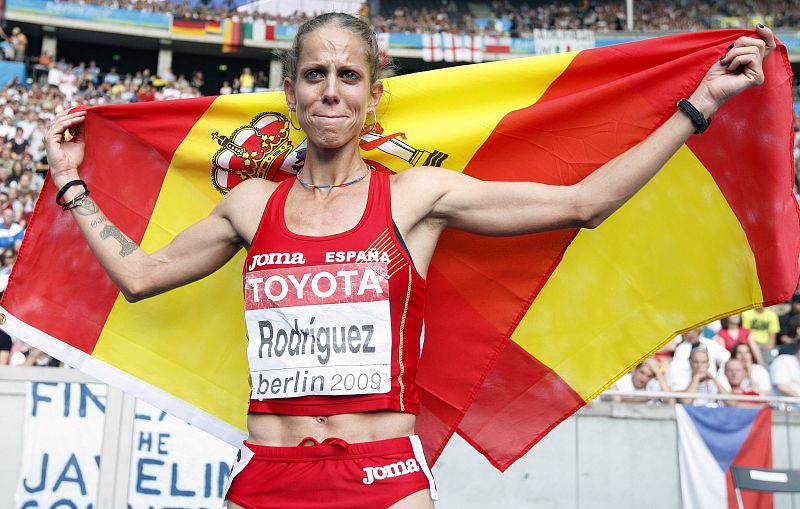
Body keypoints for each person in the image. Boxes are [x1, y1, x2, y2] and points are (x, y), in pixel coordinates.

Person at [44, 13, 775, 509]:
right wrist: (73, 183)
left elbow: (582, 202)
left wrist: (700, 102)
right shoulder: (248, 206)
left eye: (348, 77)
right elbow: (139, 277)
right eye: (315, 75)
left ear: (373, 97)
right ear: (292, 92)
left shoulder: (415, 197)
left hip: (383, 479)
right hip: (267, 476)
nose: (331, 90)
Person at [606, 357, 674, 404]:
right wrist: (650, 397)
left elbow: (667, 398)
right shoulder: (621, 380)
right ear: (634, 370)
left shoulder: (651, 383)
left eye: (649, 376)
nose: (644, 378)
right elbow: (618, 399)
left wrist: (658, 372)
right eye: (642, 372)